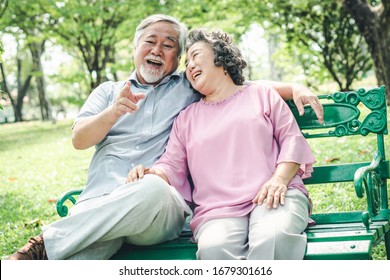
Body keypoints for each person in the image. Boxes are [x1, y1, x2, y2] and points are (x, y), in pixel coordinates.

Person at [8, 14, 322, 260]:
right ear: (135, 48)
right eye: (150, 41)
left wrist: (294, 86)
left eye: (170, 45)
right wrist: (115, 111)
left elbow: (243, 88)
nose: (159, 50)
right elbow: (80, 139)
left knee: (153, 189)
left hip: (159, 208)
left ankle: (43, 243)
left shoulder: (188, 89)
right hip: (100, 208)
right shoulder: (108, 92)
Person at [127, 28, 316, 260]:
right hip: (218, 210)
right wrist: (151, 173)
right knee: (213, 250)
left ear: (221, 58)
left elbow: (291, 139)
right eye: (187, 63)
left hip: (275, 194)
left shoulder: (261, 94)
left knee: (272, 237)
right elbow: (171, 163)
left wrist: (279, 179)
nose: (190, 66)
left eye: (196, 56)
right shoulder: (187, 118)